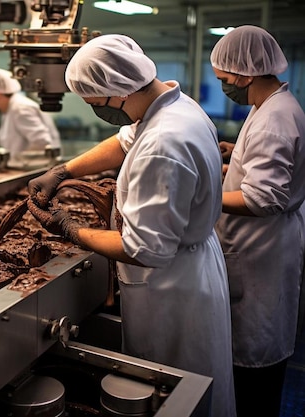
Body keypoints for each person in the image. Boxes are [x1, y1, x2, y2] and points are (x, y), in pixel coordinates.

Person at [26, 34, 236, 417]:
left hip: (172, 292)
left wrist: (69, 230)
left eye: (94, 103)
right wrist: (63, 170)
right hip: (190, 268)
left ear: (118, 92)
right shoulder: (172, 106)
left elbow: (145, 249)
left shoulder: (164, 144)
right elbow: (124, 142)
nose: (95, 111)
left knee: (170, 393)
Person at [210, 25, 305, 417]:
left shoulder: (274, 120)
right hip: (262, 247)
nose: (223, 85)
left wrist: (205, 199)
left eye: (224, 79)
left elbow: (263, 198)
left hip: (258, 253)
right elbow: (269, 169)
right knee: (253, 348)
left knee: (255, 359)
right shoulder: (270, 106)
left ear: (245, 74)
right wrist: (238, 156)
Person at [0, 68, 61, 167]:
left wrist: (19, 160)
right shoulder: (11, 108)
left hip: (34, 169)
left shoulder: (20, 109)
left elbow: (41, 142)